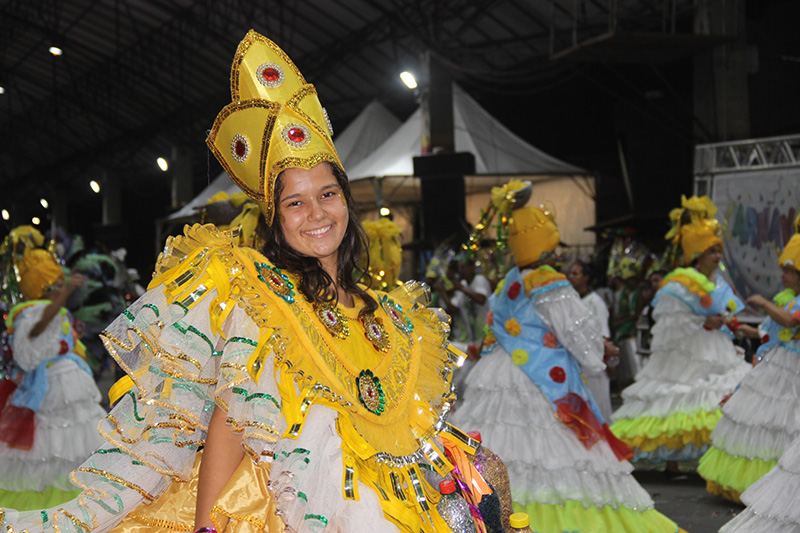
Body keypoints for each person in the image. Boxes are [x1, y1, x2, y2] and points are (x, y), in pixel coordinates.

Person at [1, 31, 496, 533]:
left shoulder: (387, 310)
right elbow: (229, 424)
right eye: (294, 202)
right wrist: (206, 528)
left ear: (347, 200)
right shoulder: (264, 301)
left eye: (327, 194)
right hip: (294, 505)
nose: (316, 214)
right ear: (275, 219)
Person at [451, 204, 684, 532]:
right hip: (544, 378)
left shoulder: (508, 283)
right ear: (545, 246)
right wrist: (598, 354)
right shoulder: (549, 281)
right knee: (560, 452)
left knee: (503, 448)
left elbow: (495, 332)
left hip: (500, 373)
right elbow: (575, 329)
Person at [611, 196, 750, 471]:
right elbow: (667, 323)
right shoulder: (678, 284)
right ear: (698, 254)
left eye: (719, 251)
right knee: (676, 398)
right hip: (686, 353)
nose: (717, 256)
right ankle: (672, 461)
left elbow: (728, 314)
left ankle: (715, 461)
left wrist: (722, 321)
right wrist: (700, 322)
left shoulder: (719, 282)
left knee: (713, 398)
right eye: (712, 251)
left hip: (715, 348)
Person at [697, 215, 800, 502]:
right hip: (777, 364)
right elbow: (773, 330)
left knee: (784, 423)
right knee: (763, 423)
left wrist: (764, 303)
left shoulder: (791, 304)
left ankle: (782, 490)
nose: (783, 276)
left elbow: (791, 323)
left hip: (793, 371)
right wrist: (746, 329)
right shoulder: (789, 298)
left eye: (788, 271)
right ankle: (755, 484)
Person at [0, 247, 105, 510]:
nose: (61, 287)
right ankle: (52, 506)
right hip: (52, 388)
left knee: (74, 446)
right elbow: (36, 331)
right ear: (44, 286)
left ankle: (78, 503)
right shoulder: (32, 311)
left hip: (70, 383)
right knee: (50, 449)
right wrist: (65, 295)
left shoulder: (48, 309)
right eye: (56, 283)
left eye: (62, 282)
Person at [566, 259, 618, 421]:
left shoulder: (595, 302)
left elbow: (603, 335)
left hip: (594, 363)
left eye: (575, 273)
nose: (570, 277)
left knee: (599, 408)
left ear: (586, 277)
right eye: (570, 274)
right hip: (578, 362)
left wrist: (604, 359)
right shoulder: (572, 300)